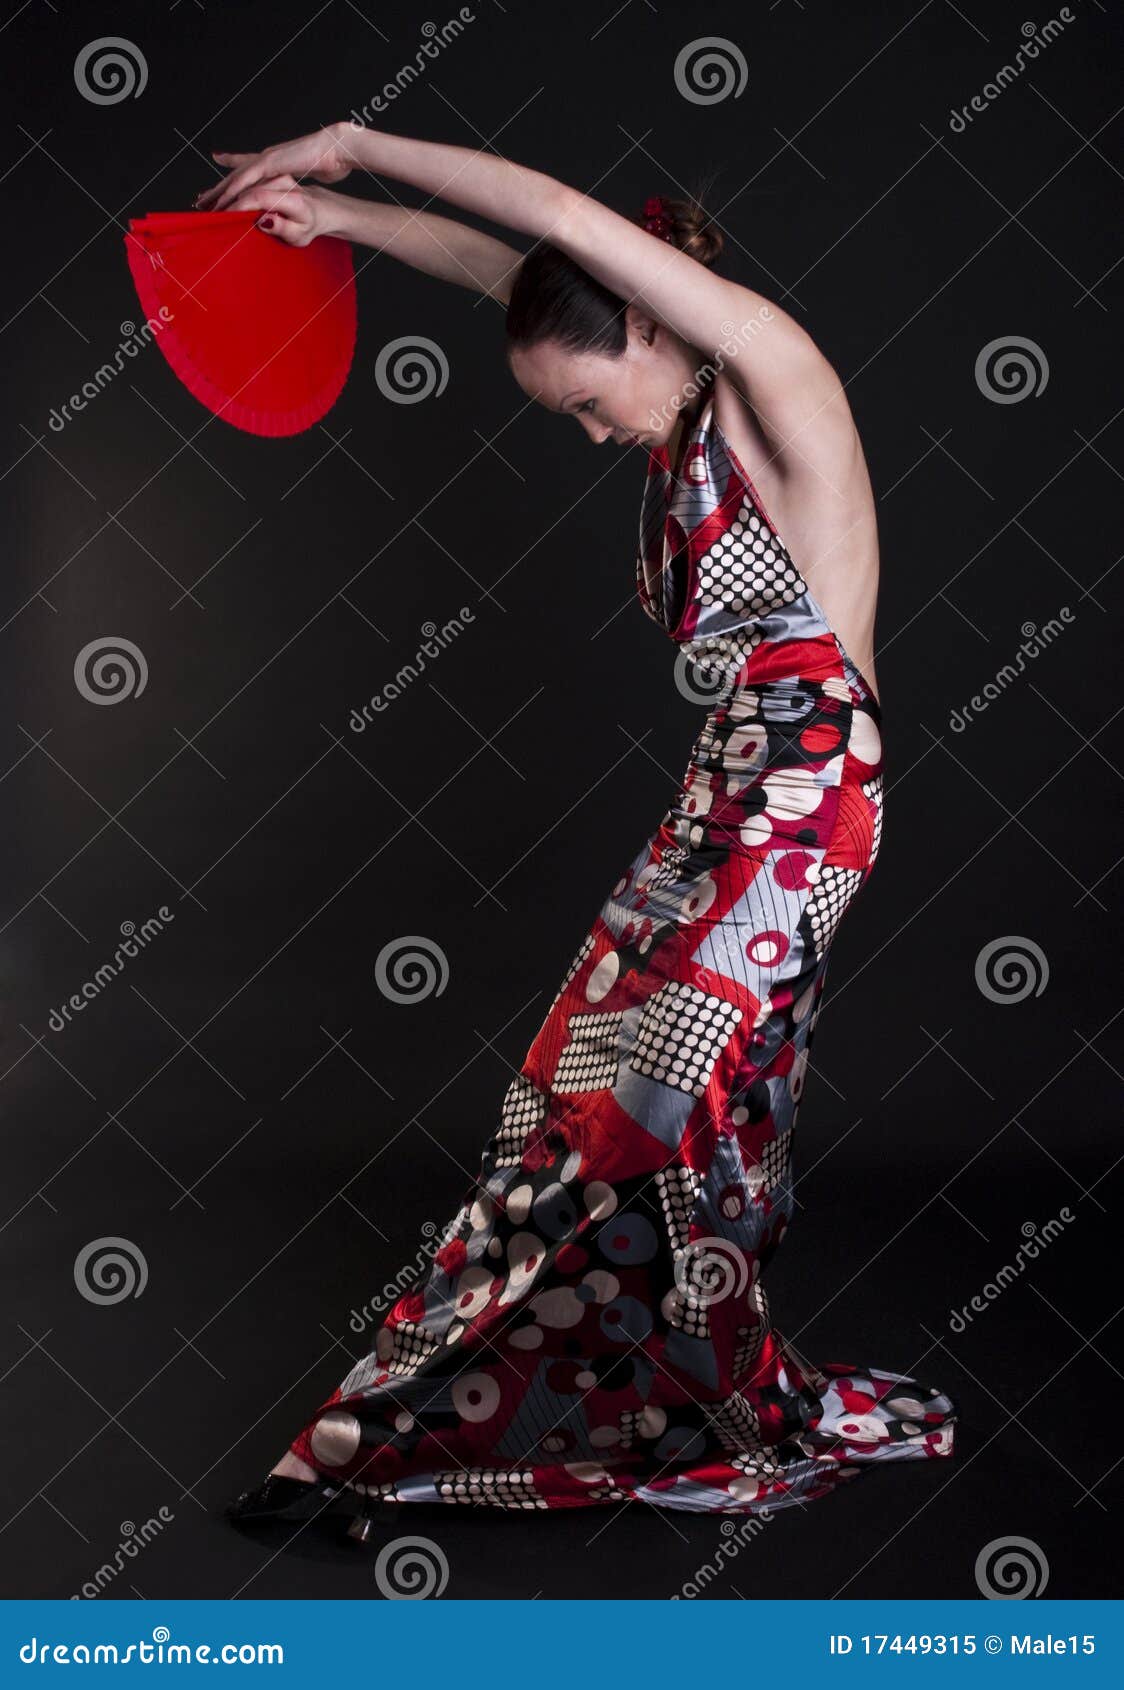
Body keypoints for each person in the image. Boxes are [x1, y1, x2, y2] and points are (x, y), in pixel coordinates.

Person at [202, 123, 957, 1539]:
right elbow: (524, 265)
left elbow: (557, 215)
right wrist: (341, 223)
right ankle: (445, 1424)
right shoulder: (669, 402)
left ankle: (433, 1438)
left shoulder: (777, 380)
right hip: (724, 786)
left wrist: (354, 143)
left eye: (588, 404)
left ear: (658, 324)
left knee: (650, 1117)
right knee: (566, 1102)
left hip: (805, 797)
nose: (592, 433)